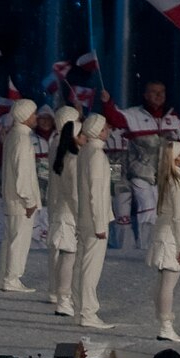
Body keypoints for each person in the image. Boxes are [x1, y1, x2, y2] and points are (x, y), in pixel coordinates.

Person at [103, 80, 180, 245]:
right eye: (154, 92)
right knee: (125, 209)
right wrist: (107, 103)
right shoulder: (131, 117)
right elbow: (115, 116)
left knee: (160, 209)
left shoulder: (171, 117)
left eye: (161, 92)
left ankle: (159, 243)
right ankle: (132, 245)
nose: (158, 95)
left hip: (160, 174)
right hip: (124, 170)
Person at [148, 138, 180, 341]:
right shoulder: (176, 183)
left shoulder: (169, 179)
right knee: (168, 284)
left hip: (165, 235)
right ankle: (165, 325)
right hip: (172, 239)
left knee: (163, 283)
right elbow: (178, 217)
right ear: (176, 158)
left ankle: (164, 322)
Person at [73, 112, 114, 330]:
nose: (108, 130)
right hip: (94, 219)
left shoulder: (85, 152)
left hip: (85, 217)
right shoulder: (97, 155)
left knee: (82, 264)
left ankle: (81, 308)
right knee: (90, 267)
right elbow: (96, 193)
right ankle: (88, 311)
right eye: (105, 127)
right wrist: (100, 224)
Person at [0, 99, 40, 291]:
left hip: (12, 197)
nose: (36, 117)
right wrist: (29, 200)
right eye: (33, 114)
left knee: (11, 239)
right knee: (18, 240)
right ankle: (12, 277)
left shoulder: (13, 136)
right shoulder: (22, 140)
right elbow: (22, 174)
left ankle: (8, 275)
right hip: (20, 200)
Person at [47, 105, 80, 315]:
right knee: (68, 254)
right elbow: (74, 190)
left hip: (58, 204)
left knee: (60, 253)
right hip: (68, 209)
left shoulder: (55, 145)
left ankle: (57, 291)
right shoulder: (69, 155)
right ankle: (63, 297)